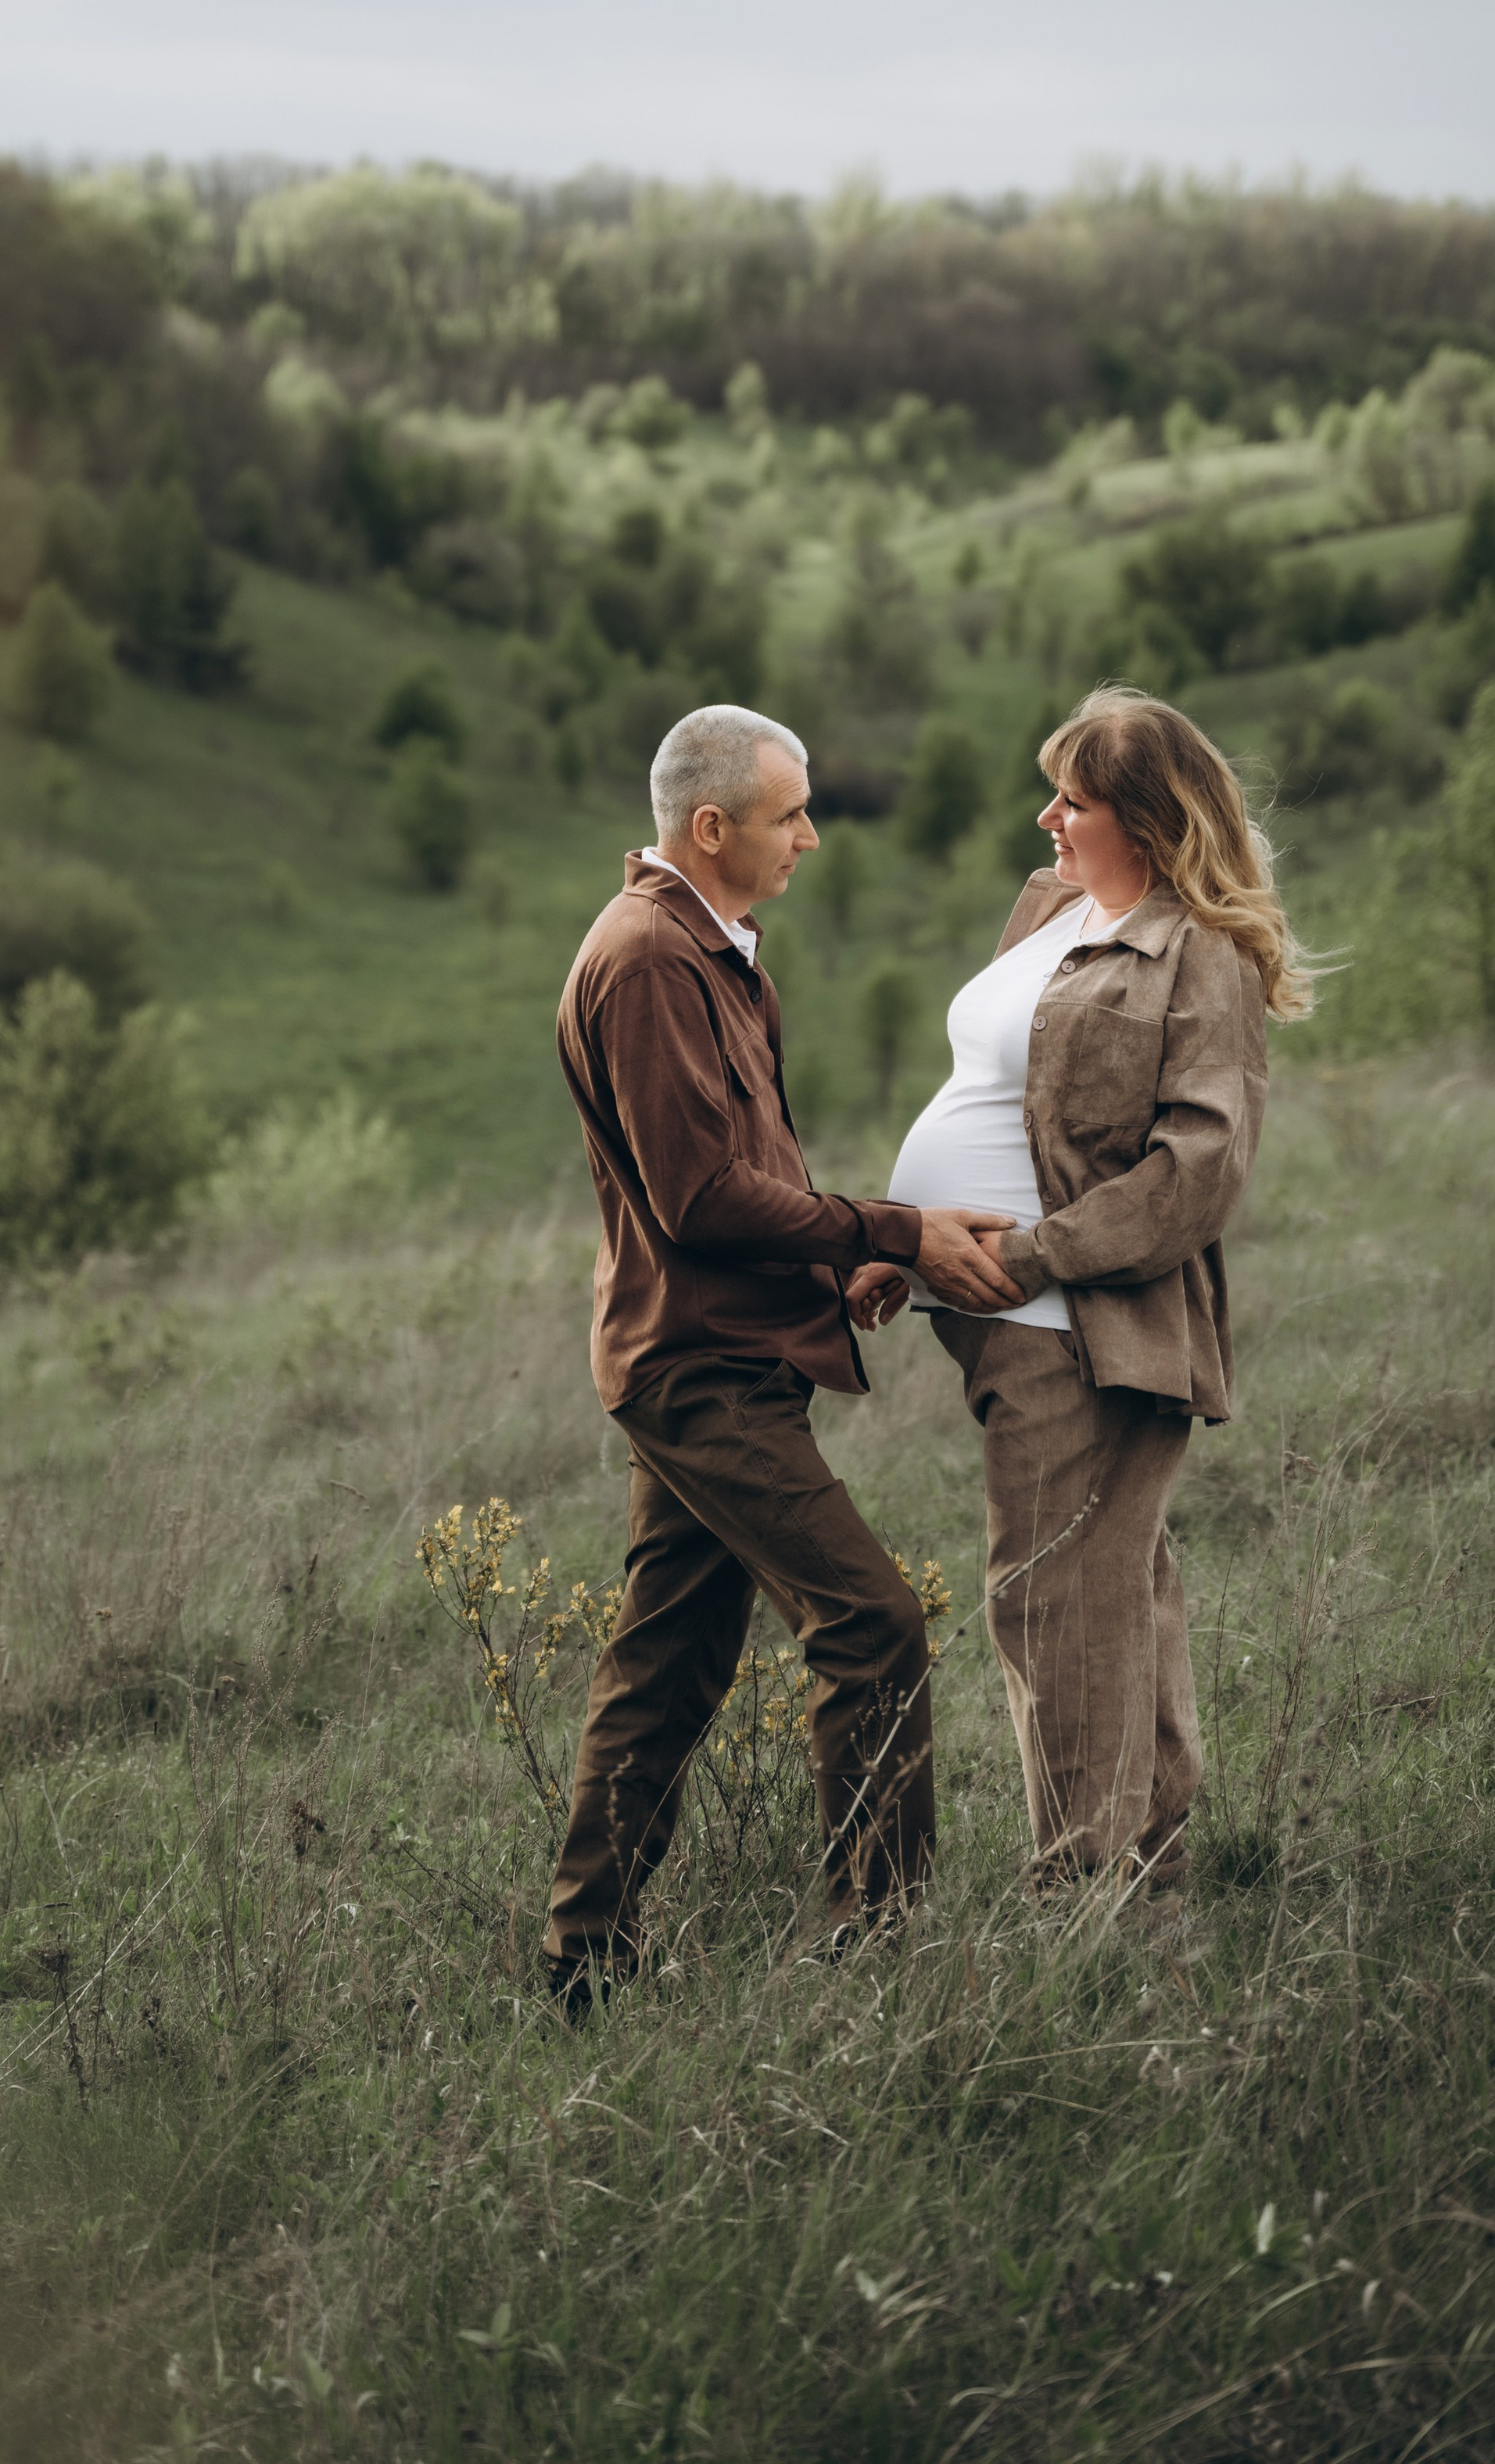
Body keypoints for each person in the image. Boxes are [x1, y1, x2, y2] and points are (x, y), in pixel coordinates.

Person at [542, 704, 1025, 2011]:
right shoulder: (648, 961)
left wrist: (841, 1259)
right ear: (712, 829)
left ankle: (582, 1965)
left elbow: (741, 1183)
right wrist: (901, 1231)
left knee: (669, 1668)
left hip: (724, 1352)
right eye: (789, 814)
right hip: (693, 1369)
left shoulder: (713, 952)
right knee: (871, 1625)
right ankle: (883, 1958)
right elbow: (697, 1202)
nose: (811, 834)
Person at [850, 686, 1311, 1901]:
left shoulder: (1199, 955)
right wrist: (909, 1244)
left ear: (1149, 822)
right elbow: (1000, 1103)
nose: (1046, 816)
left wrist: (1031, 1255)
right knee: (1106, 1590)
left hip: (1077, 1325)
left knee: (1057, 1606)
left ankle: (1082, 1887)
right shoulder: (1057, 905)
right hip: (1001, 1315)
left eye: (1075, 799)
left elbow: (1197, 1173)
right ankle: (1138, 1872)